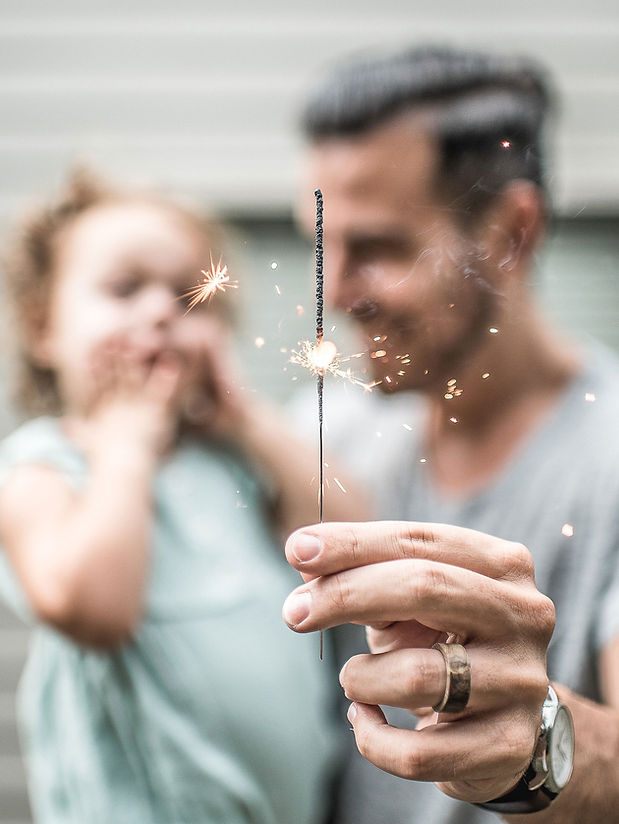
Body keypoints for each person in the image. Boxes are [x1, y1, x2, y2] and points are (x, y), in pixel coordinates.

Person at [283, 45, 619, 822]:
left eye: (377, 248)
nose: (331, 294)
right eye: (320, 242)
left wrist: (539, 743)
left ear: (509, 234)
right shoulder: (331, 429)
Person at [0, 170, 359, 824]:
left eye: (193, 299)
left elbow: (355, 536)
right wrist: (126, 447)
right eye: (124, 288)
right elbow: (92, 608)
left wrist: (247, 418)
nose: (164, 311)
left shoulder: (231, 463)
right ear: (43, 327)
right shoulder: (47, 465)